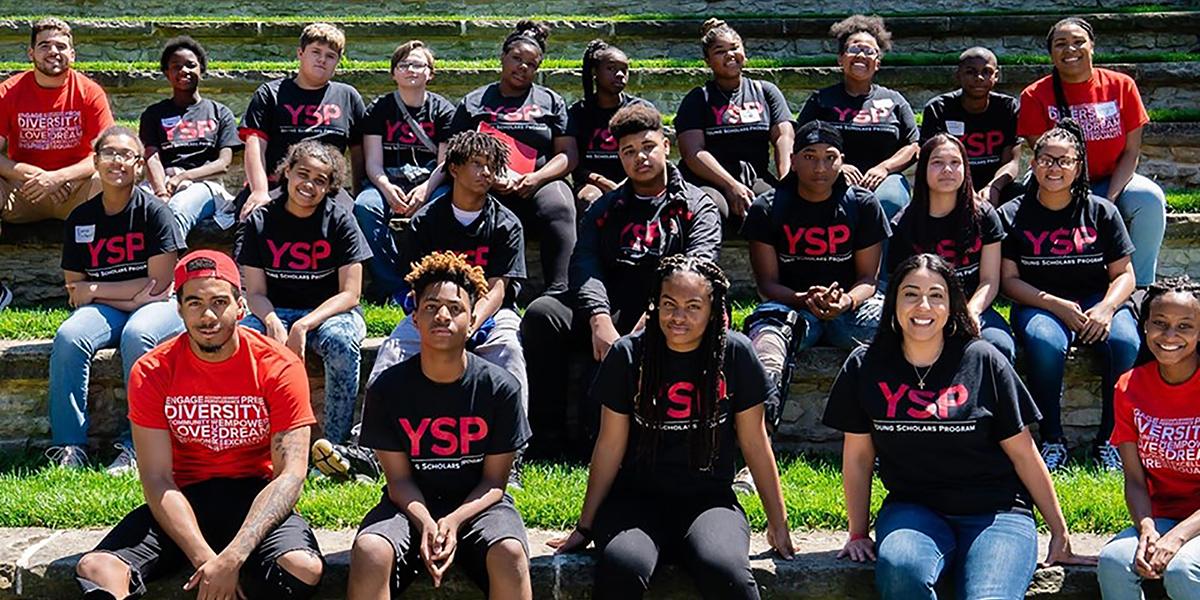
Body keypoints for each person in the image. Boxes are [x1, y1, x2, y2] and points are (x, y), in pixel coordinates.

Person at [824, 253, 1095, 599]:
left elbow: (1024, 454)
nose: (923, 306)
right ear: (892, 303)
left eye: (936, 295)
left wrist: (1060, 533)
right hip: (913, 509)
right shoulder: (865, 365)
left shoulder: (982, 359)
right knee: (902, 572)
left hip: (997, 514)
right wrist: (858, 533)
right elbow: (859, 457)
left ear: (953, 306)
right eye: (910, 294)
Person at [74, 249, 324, 600]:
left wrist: (234, 556)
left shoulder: (279, 365)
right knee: (96, 569)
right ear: (178, 309)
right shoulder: (151, 371)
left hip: (256, 498)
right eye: (194, 303)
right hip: (184, 498)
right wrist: (206, 559)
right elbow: (156, 478)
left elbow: (291, 474)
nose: (208, 316)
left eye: (219, 302)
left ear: (241, 306)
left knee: (303, 566)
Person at [547, 256, 795, 599]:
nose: (679, 317)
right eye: (669, 304)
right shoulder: (628, 355)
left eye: (693, 306)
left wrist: (778, 523)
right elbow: (609, 446)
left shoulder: (736, 354)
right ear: (655, 305)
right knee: (623, 567)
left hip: (709, 501)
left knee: (725, 572)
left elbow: (755, 443)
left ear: (713, 309)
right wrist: (584, 525)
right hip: (634, 501)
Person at [315, 131, 527, 484]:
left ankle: (512, 455)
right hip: (433, 310)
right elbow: (416, 282)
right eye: (477, 164)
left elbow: (499, 287)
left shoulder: (506, 223)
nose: (485, 173)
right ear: (454, 168)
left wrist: (473, 319)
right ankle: (368, 450)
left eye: (491, 167)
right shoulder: (426, 221)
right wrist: (432, 316)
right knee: (393, 349)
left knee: (509, 350)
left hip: (487, 312)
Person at [520, 103, 721, 458]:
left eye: (647, 147)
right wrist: (598, 318)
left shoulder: (696, 204)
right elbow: (584, 263)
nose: (639, 157)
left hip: (668, 311)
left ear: (666, 146)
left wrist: (650, 318)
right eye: (629, 151)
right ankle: (546, 438)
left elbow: (699, 267)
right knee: (543, 314)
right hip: (611, 305)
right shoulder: (607, 206)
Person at [347, 251, 532, 600]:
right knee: (371, 551)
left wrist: (454, 520)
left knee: (509, 553)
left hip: (480, 505)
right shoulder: (387, 389)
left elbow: (495, 482)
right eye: (431, 307)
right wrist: (428, 522)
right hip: (409, 504)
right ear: (414, 317)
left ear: (472, 317)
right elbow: (398, 480)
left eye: (455, 308)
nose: (442, 316)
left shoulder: (500, 387)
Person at [742, 120, 889, 480]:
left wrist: (845, 303)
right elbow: (766, 284)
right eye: (809, 156)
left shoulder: (862, 204)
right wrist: (802, 298)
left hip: (849, 308)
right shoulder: (768, 206)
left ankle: (894, 444)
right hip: (792, 306)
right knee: (766, 347)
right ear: (793, 160)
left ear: (843, 160)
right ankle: (754, 456)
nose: (820, 167)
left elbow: (868, 279)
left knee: (903, 331)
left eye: (830, 157)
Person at [999, 119, 1139, 472]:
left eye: (1064, 161)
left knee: (1125, 341)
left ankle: (1110, 441)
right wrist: (1052, 303)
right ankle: (1052, 440)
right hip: (1039, 302)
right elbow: (1008, 280)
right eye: (1046, 159)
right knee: (1044, 342)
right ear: (1033, 164)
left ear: (1079, 167)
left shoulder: (1101, 211)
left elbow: (1125, 274)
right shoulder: (1013, 213)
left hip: (1096, 299)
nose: (1055, 168)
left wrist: (1107, 308)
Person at [48, 126, 184, 474]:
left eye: (127, 155)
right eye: (109, 153)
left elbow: (160, 285)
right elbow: (75, 289)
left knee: (138, 336)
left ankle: (136, 445)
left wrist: (98, 289)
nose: (117, 162)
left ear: (139, 166)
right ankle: (69, 446)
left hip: (158, 307)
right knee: (68, 337)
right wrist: (110, 295)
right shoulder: (80, 218)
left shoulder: (155, 213)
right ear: (96, 161)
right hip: (112, 306)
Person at [237, 140, 371, 447]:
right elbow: (255, 291)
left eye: (320, 180)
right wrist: (272, 322)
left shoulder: (340, 220)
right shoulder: (261, 220)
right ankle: (253, 443)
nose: (308, 184)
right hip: (274, 308)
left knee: (341, 343)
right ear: (287, 173)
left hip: (330, 313)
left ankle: (335, 447)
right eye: (303, 174)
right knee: (242, 340)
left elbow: (351, 294)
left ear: (329, 187)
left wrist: (304, 324)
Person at [1018, 17, 1166, 289]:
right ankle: (1043, 284)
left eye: (1078, 42)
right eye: (1060, 44)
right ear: (1051, 52)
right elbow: (1045, 159)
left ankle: (1142, 288)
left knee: (1149, 199)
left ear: (1092, 46)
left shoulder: (1121, 86)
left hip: (1113, 177)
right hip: (1058, 179)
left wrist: (1108, 199)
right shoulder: (1034, 95)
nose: (1070, 49)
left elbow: (1131, 151)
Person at [442, 20, 576, 294]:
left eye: (531, 63)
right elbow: (454, 152)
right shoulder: (475, 101)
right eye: (516, 58)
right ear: (502, 57)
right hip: (485, 180)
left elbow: (567, 155)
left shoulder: (551, 101)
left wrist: (535, 178)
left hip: (537, 181)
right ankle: (475, 288)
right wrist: (488, 178)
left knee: (560, 205)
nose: (523, 67)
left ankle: (559, 291)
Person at [0, 18, 115, 309]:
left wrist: (61, 177)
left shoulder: (89, 92)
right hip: (24, 192)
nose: (54, 51)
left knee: (110, 180)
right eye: (45, 46)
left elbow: (108, 152)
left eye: (61, 46)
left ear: (73, 54)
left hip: (73, 192)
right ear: (31, 53)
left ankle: (102, 282)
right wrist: (29, 174)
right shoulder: (8, 92)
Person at [1097, 276, 1200, 599]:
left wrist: (1179, 536)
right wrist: (1147, 529)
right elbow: (1135, 480)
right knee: (1114, 561)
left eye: (1185, 326)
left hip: (1192, 525)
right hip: (1163, 517)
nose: (1170, 335)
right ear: (1144, 327)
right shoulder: (1128, 387)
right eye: (1160, 323)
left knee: (1183, 569)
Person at [887, 134, 1013, 363]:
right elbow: (902, 289)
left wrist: (971, 312)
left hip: (975, 306)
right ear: (923, 169)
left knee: (1000, 346)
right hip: (924, 311)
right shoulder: (903, 224)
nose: (947, 169)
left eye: (955, 162)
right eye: (937, 162)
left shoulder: (984, 216)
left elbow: (989, 280)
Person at [353, 40, 456, 304]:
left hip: (430, 180)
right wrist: (386, 189)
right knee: (365, 207)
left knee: (444, 205)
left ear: (430, 73)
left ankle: (430, 279)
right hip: (387, 178)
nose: (411, 69)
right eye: (404, 65)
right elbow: (372, 162)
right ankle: (394, 285)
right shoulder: (379, 108)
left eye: (418, 64)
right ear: (394, 72)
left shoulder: (443, 110)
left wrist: (425, 190)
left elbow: (445, 163)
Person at [237, 22, 366, 220]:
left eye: (330, 56)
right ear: (300, 53)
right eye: (316, 52)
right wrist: (259, 191)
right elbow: (255, 144)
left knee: (353, 221)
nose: (322, 60)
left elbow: (359, 152)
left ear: (338, 61)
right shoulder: (270, 93)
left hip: (326, 190)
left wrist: (359, 194)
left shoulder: (347, 96)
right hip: (276, 185)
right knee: (252, 219)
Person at [796, 15, 918, 222]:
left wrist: (884, 168)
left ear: (877, 62)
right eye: (854, 49)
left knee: (890, 202)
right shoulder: (821, 100)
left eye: (869, 51)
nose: (861, 55)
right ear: (840, 58)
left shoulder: (894, 100)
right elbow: (800, 140)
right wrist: (836, 166)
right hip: (830, 176)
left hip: (886, 179)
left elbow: (914, 145)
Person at [675, 19, 793, 227]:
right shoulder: (697, 99)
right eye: (720, 51)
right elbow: (692, 152)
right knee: (712, 210)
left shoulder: (765, 91)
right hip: (709, 180)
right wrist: (730, 185)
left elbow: (784, 136)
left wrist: (786, 178)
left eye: (735, 47)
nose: (730, 54)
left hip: (754, 176)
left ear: (744, 52)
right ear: (707, 60)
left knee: (779, 207)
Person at [138, 36, 241, 242]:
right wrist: (161, 193)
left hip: (205, 185)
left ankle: (167, 271)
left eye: (191, 65)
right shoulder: (153, 114)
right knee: (134, 211)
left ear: (201, 70)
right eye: (176, 66)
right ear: (167, 73)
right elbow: (152, 157)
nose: (184, 70)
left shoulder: (220, 113)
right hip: (162, 183)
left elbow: (223, 164)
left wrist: (184, 177)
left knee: (176, 212)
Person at [920, 47, 1022, 206]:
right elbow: (931, 162)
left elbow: (1011, 162)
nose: (979, 77)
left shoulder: (1007, 107)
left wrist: (993, 187)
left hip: (995, 185)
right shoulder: (938, 109)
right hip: (951, 183)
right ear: (958, 75)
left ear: (996, 76)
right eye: (970, 72)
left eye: (986, 72)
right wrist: (966, 192)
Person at [566, 39, 649, 209]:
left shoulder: (640, 110)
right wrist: (604, 183)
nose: (620, 74)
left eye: (624, 70)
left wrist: (627, 184)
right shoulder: (578, 113)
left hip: (637, 177)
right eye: (611, 68)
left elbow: (651, 153)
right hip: (592, 182)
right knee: (589, 199)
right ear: (595, 72)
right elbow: (576, 166)